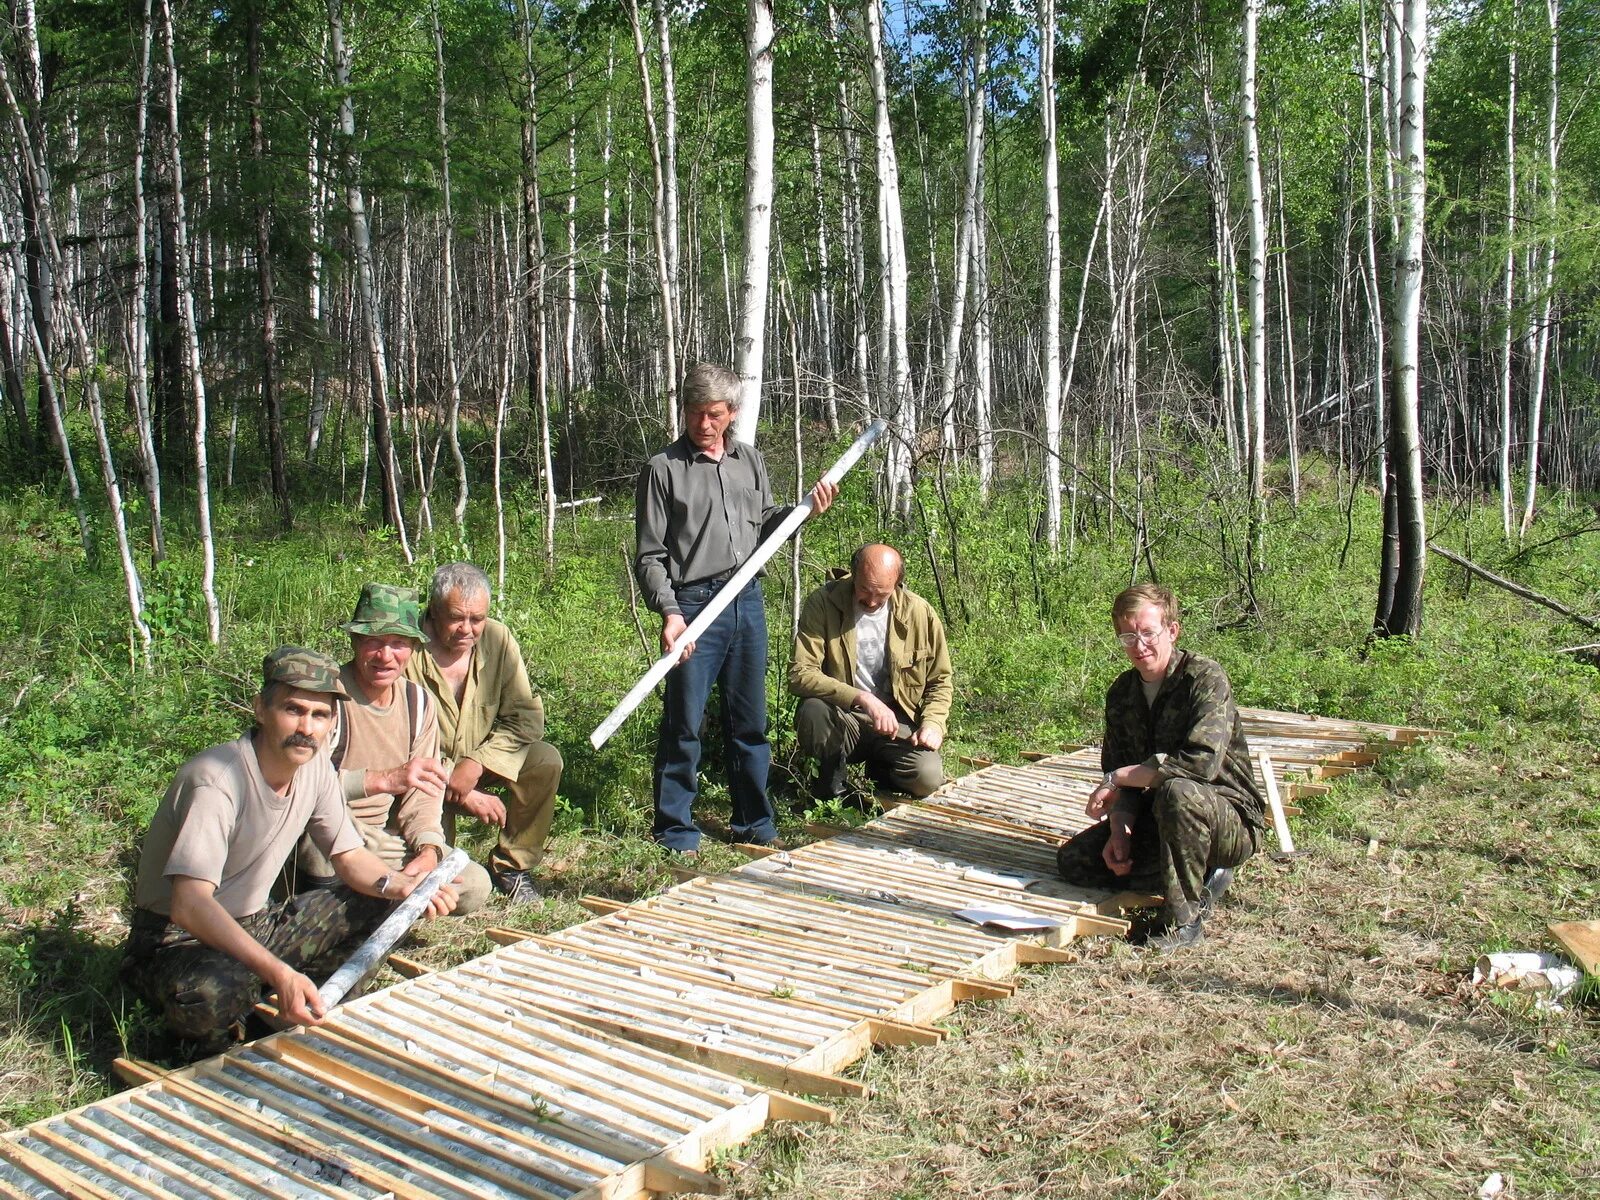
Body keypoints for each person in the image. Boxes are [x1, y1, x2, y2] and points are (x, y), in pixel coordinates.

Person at [121, 647, 460, 1054]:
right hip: (175, 942)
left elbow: (350, 857)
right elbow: (189, 905)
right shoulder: (217, 781)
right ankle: (219, 1029)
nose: (307, 728)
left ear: (332, 722)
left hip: (254, 923)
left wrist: (403, 887)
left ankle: (286, 1010)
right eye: (293, 710)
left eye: (320, 716)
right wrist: (278, 972)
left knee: (378, 903)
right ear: (261, 709)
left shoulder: (315, 769)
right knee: (210, 994)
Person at [634, 362, 838, 855]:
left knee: (750, 719)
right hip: (694, 604)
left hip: (747, 600)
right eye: (695, 413)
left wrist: (804, 511)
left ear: (732, 414)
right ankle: (676, 827)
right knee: (685, 721)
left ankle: (753, 820)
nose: (703, 424)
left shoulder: (749, 461)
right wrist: (670, 613)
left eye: (714, 414)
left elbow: (766, 523)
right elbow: (650, 554)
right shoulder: (663, 470)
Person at [1055, 583, 1264, 950]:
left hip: (1227, 818)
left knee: (1177, 789)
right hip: (1162, 817)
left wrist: (1119, 777)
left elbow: (1200, 764)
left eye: (1148, 633)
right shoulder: (1122, 693)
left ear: (1172, 630)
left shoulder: (1204, 678)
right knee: (1075, 861)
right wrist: (1120, 831)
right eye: (1128, 636)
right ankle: (1196, 874)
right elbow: (1123, 777)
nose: (1139, 646)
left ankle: (1183, 921)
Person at [296, 583, 492, 912]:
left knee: (472, 885)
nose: (386, 656)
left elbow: (424, 794)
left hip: (383, 840)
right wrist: (382, 780)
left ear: (414, 648)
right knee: (318, 844)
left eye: (398, 644)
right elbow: (299, 787)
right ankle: (338, 909)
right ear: (355, 642)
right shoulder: (328, 698)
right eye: (374, 642)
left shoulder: (417, 703)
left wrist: (429, 850)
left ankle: (376, 897)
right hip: (331, 828)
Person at [405, 562, 564, 904]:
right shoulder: (405, 648)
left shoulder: (497, 638)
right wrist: (455, 781)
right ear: (434, 610)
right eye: (456, 618)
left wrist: (477, 763)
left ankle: (512, 868)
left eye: (476, 619)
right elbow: (395, 741)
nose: (468, 629)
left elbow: (526, 718)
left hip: (478, 763)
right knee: (436, 881)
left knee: (544, 760)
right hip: (421, 774)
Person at [788, 543, 952, 801]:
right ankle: (831, 791)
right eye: (864, 589)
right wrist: (863, 698)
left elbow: (940, 681)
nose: (872, 600)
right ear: (854, 574)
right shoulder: (823, 602)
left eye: (882, 593)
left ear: (897, 584)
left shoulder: (920, 614)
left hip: (897, 722)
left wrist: (933, 723)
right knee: (813, 710)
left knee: (927, 778)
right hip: (844, 717)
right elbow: (800, 673)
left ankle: (882, 772)